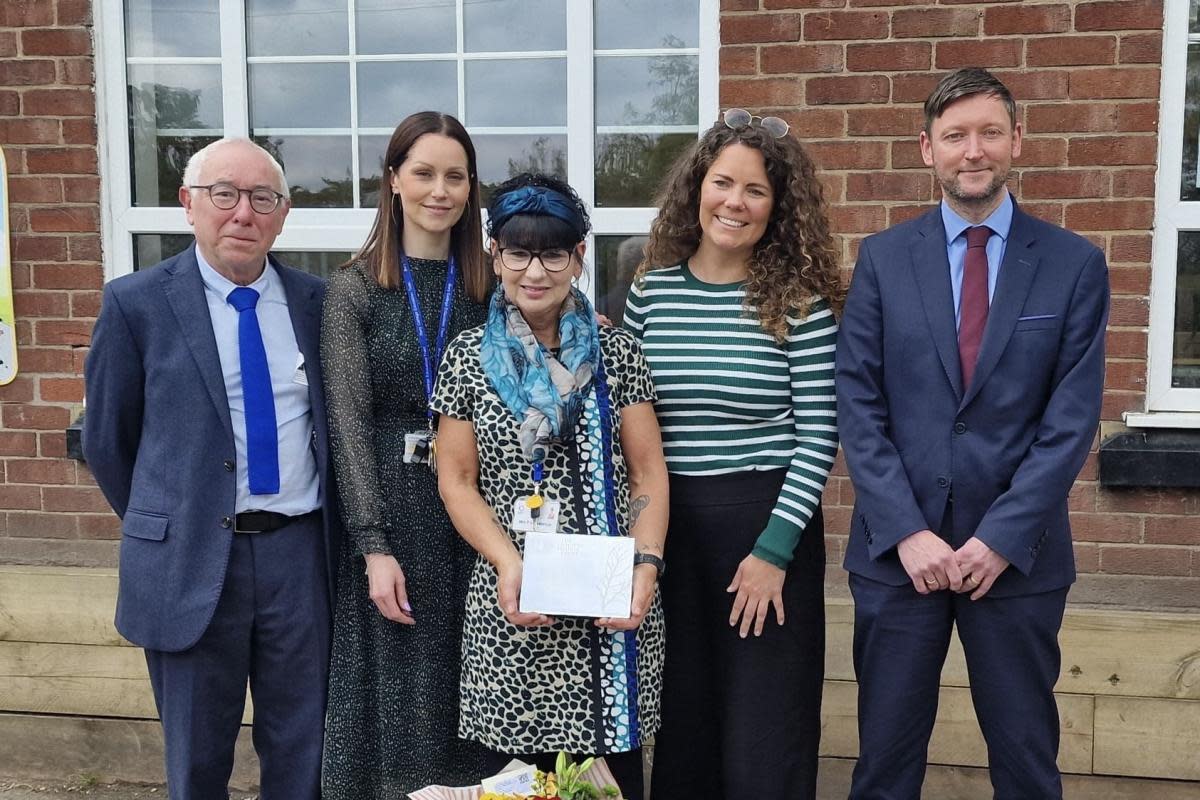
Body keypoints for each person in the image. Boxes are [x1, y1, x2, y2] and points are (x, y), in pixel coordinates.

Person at [835, 68, 1110, 799]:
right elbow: (858, 405)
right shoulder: (883, 260)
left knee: (1025, 762)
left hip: (1016, 560)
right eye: (955, 136)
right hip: (899, 557)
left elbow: (1070, 419)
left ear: (1017, 140)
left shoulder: (1073, 264)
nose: (973, 151)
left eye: (990, 132)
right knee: (885, 766)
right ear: (927, 149)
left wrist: (998, 538)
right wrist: (906, 531)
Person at [83, 138, 339, 800]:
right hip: (188, 560)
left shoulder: (318, 302)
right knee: (196, 761)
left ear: (283, 215)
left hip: (298, 557)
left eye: (262, 198)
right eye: (223, 194)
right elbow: (110, 442)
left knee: (302, 749)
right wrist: (168, 517)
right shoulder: (135, 305)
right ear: (188, 206)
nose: (242, 214)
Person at [624, 111, 841, 799]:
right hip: (670, 528)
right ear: (697, 189)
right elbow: (629, 421)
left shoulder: (798, 301)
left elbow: (818, 436)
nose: (734, 203)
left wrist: (774, 551)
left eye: (755, 191)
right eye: (723, 183)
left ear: (777, 208)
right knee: (685, 728)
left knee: (762, 738)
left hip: (765, 527)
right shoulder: (650, 291)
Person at [433, 173, 669, 800]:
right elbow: (456, 481)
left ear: (578, 257)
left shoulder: (618, 351)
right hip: (515, 614)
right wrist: (509, 564)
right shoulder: (466, 357)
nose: (535, 271)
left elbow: (648, 472)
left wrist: (645, 568)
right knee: (516, 790)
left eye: (553, 253)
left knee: (610, 788)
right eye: (519, 252)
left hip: (608, 619)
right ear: (495, 253)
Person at [319, 111, 491, 797]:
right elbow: (349, 424)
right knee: (398, 694)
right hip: (392, 513)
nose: (439, 190)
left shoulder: (491, 291)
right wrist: (373, 545)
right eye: (423, 172)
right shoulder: (355, 289)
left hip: (477, 513)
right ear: (393, 180)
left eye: (455, 175)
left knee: (468, 690)